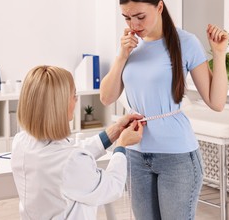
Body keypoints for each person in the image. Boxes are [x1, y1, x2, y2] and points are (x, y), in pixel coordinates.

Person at [100, 0, 229, 219]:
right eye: (127, 18)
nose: (134, 24)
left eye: (140, 16)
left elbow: (216, 102)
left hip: (177, 158)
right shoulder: (129, 45)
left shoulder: (186, 43)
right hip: (136, 154)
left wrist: (219, 54)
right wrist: (122, 55)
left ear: (159, 7)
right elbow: (107, 98)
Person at [11, 65, 144, 220]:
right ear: (58, 106)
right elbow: (112, 186)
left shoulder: (21, 142)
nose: (76, 100)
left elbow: (73, 153)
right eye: (74, 95)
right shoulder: (70, 162)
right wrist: (121, 146)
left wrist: (114, 132)